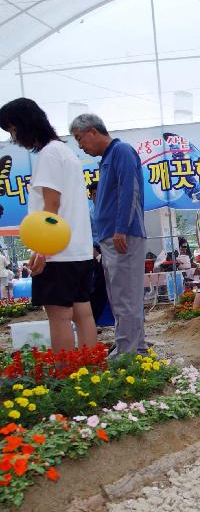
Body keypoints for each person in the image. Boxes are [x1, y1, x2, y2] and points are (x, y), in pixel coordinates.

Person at [1, 98, 98, 352]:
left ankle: (65, 373)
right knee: (82, 312)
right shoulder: (65, 151)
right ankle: (89, 368)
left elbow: (51, 206)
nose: (13, 137)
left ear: (24, 124)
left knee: (59, 316)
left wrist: (42, 251)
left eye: (12, 129)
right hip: (78, 249)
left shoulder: (49, 155)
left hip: (58, 252)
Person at [71, 113, 147, 357]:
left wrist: (121, 228)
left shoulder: (121, 151)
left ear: (93, 131)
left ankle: (127, 351)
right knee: (121, 296)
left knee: (125, 296)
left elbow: (129, 191)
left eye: (80, 138)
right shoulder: (107, 158)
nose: (80, 145)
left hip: (122, 236)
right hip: (111, 237)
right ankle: (135, 348)